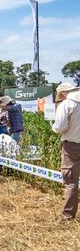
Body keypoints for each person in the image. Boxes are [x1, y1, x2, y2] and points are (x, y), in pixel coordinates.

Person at [51, 83, 80, 219]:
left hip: (72, 146)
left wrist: (54, 127)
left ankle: (69, 214)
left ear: (62, 93)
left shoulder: (66, 104)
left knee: (71, 180)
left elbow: (60, 127)